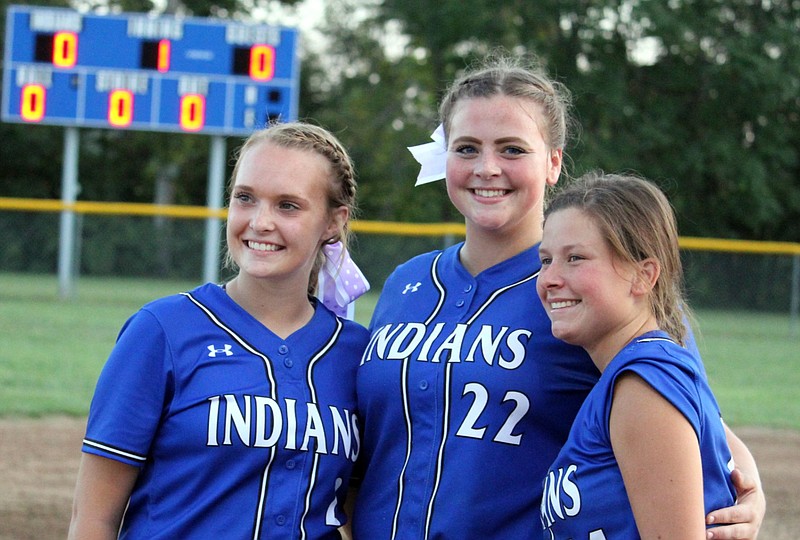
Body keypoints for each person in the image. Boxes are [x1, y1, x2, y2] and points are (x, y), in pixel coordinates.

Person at [351, 53, 764, 539]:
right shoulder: (406, 282)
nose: (487, 167)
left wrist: (749, 486)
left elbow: (690, 411)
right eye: (466, 148)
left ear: (553, 162)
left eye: (511, 149)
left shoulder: (588, 291)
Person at [68, 121, 371, 539]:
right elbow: (93, 519)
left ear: (333, 222)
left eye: (288, 205)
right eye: (245, 198)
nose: (260, 221)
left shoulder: (358, 353)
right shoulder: (162, 331)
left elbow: (359, 513)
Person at [537, 172, 737, 538]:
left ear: (643, 276)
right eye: (545, 260)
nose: (550, 278)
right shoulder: (628, 376)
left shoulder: (643, 380)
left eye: (575, 258)